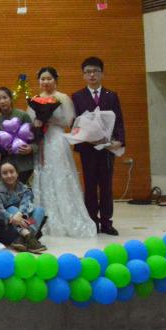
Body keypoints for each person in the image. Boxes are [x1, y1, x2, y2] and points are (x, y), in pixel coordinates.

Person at [31, 66, 97, 239]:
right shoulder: (35, 98)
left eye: (49, 78)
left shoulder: (62, 98)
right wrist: (38, 122)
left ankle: (68, 218)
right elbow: (31, 122)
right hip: (41, 140)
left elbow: (69, 121)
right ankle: (44, 219)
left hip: (57, 138)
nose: (46, 82)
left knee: (60, 174)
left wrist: (49, 119)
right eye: (42, 79)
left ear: (55, 80)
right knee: (43, 175)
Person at [72, 56, 125, 236]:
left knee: (106, 185)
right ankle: (92, 221)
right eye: (88, 72)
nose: (92, 75)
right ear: (83, 75)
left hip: (107, 148)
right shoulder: (77, 96)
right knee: (90, 185)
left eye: (95, 71)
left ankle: (107, 222)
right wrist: (85, 136)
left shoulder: (111, 95)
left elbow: (119, 121)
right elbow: (75, 122)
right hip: (88, 148)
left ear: (102, 73)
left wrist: (119, 140)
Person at [0, 159, 47, 253]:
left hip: (25, 223)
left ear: (17, 173)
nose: (9, 175)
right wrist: (12, 217)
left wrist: (20, 214)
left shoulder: (25, 189)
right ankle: (29, 237)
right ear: (0, 175)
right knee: (12, 208)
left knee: (40, 210)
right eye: (5, 173)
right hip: (7, 228)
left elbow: (26, 205)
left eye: (12, 172)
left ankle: (22, 239)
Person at [0, 87, 36, 185]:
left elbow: (37, 139)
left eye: (5, 98)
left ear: (11, 99)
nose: (2, 101)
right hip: (8, 166)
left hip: (25, 165)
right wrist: (4, 150)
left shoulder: (23, 115)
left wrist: (30, 148)